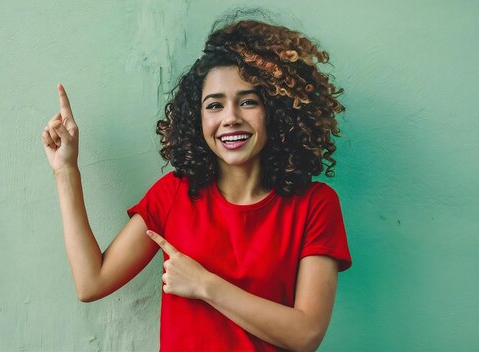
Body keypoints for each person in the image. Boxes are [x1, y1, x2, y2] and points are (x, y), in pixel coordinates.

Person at [41, 18, 351, 352]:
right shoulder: (173, 193)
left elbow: (306, 335)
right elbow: (91, 282)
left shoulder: (316, 204)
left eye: (248, 101)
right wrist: (66, 170)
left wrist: (204, 285)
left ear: (274, 111)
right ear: (198, 118)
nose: (230, 117)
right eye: (214, 105)